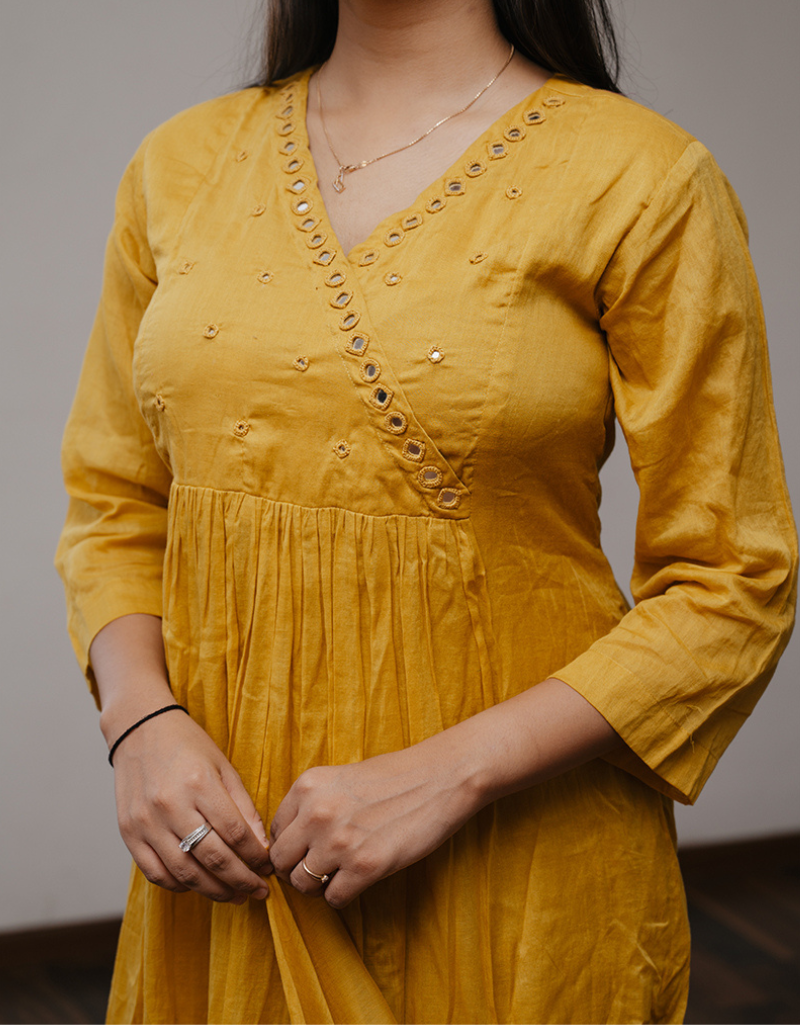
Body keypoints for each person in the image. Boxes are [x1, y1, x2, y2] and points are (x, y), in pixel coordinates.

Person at [55, 0, 797, 1022]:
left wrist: (450, 774)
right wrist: (140, 722)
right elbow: (115, 500)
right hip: (231, 859)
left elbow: (734, 577)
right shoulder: (178, 163)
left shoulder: (642, 176)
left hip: (517, 863)